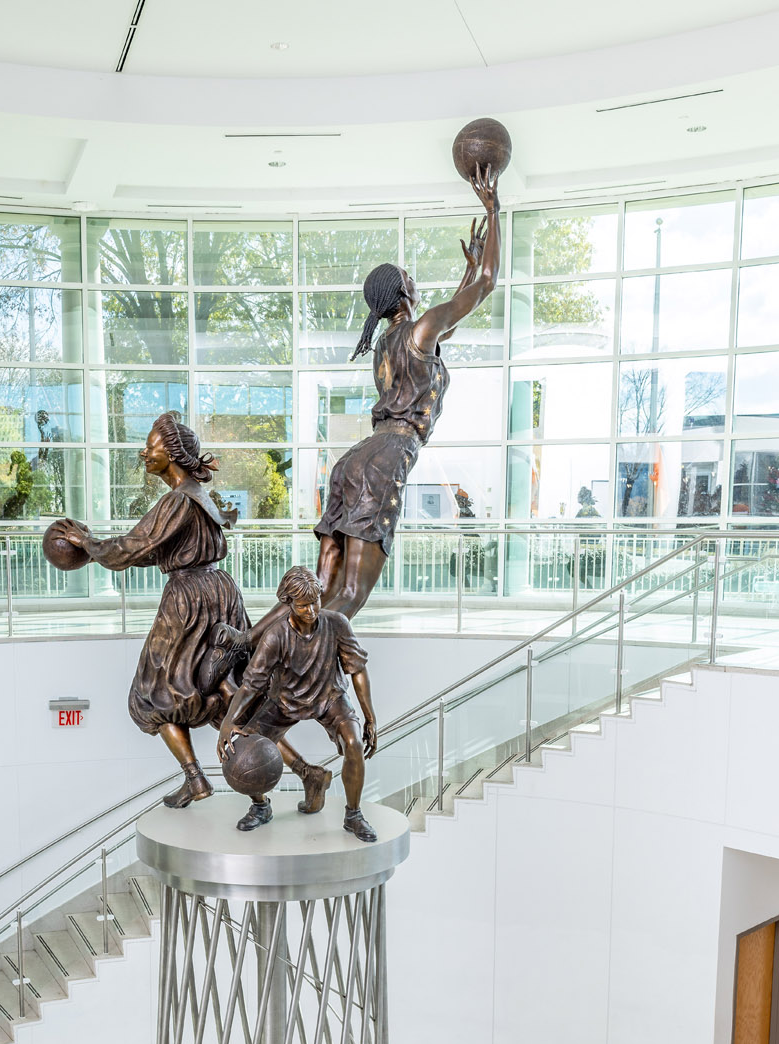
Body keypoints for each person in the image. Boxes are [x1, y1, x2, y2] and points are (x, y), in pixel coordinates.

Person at [241, 165, 501, 652]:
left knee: (320, 588)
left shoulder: (388, 342)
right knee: (351, 595)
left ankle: (249, 640)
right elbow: (485, 284)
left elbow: (459, 308)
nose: (418, 286)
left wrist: (468, 271)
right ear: (404, 293)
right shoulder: (420, 331)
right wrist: (493, 209)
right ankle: (287, 657)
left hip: (354, 459)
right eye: (411, 280)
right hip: (387, 457)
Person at [45, 414, 248, 808]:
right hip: (220, 593)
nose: (144, 452)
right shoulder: (196, 495)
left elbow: (131, 548)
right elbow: (154, 551)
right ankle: (279, 768)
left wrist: (89, 544)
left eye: (151, 446)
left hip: (188, 599)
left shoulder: (176, 500)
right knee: (223, 685)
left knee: (149, 696)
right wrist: (96, 551)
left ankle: (197, 779)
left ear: (170, 454)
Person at [217, 565, 379, 843]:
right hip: (284, 701)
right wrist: (228, 724)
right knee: (242, 749)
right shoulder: (275, 635)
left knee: (353, 744)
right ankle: (260, 806)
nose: (311, 610)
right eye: (303, 605)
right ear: (288, 603)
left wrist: (370, 717)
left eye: (315, 601)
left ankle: (353, 815)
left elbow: (358, 670)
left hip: (330, 697)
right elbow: (251, 684)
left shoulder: (338, 623)